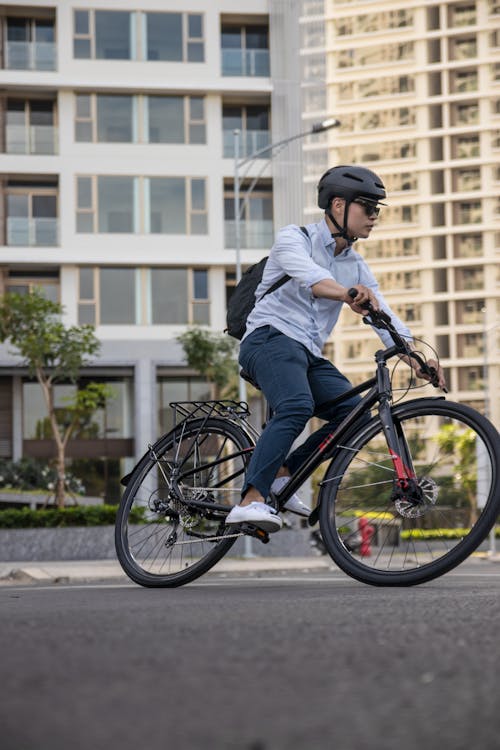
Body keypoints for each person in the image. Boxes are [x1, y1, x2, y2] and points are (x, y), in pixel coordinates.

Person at [225, 165, 446, 533]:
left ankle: (284, 472)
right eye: (367, 207)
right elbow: (311, 278)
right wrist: (347, 294)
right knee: (297, 405)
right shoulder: (293, 238)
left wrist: (417, 360)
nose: (374, 217)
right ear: (338, 205)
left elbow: (385, 317)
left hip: (307, 353)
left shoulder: (355, 264)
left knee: (356, 414)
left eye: (378, 210)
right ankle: (250, 501)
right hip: (267, 338)